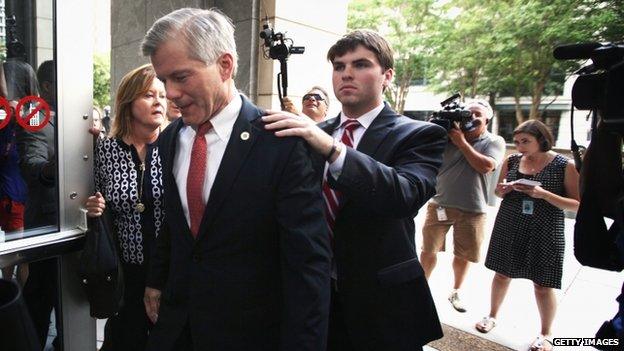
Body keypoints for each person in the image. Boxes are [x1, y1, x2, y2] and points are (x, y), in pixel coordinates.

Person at [141, 8, 330, 351]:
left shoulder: (281, 144)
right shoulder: (169, 139)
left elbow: (307, 263)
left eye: (181, 77)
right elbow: (174, 222)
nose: (169, 93)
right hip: (178, 328)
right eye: (163, 79)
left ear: (225, 65)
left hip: (250, 333)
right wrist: (156, 280)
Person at [264, 29, 445, 351]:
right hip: (315, 297)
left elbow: (405, 195)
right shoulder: (311, 133)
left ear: (387, 75)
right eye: (338, 65)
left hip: (381, 304)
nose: (346, 73)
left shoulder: (419, 134)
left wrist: (334, 150)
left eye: (361, 64)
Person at [474, 120, 580, 351]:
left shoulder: (564, 164)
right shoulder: (512, 160)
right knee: (502, 273)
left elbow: (576, 204)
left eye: (526, 141)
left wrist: (543, 194)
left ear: (541, 140)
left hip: (545, 227)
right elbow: (498, 191)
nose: (520, 146)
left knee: (543, 283)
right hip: (510, 222)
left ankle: (546, 333)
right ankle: (491, 315)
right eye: (518, 141)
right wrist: (505, 188)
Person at [85, 64, 167, 351]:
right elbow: (87, 199)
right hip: (124, 273)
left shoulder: (175, 146)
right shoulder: (105, 150)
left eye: (162, 95)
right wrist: (93, 207)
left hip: (169, 272)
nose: (159, 101)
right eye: (148, 95)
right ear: (128, 102)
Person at [419, 99, 506, 313]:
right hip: (440, 204)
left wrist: (461, 143)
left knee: (463, 254)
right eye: (469, 114)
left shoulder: (494, 141)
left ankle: (455, 291)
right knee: (428, 250)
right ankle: (420, 290)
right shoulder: (447, 135)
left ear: (487, 119)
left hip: (472, 208)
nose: (473, 118)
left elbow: (486, 166)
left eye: (478, 115)